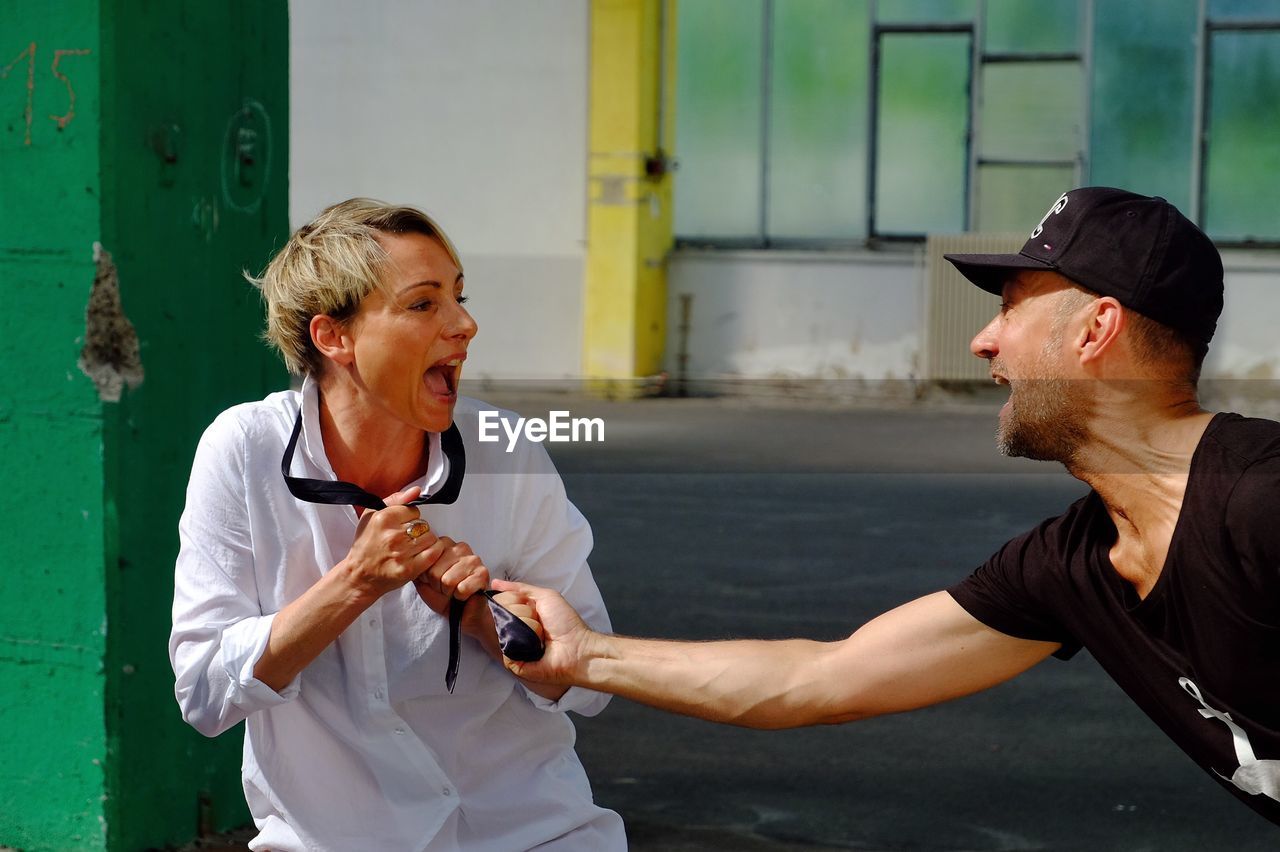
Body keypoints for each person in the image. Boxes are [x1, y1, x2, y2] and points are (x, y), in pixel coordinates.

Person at [492, 187, 1280, 827]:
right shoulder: (1072, 565)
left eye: (1011, 306)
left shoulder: (1260, 503)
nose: (984, 340)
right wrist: (586, 655)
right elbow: (824, 678)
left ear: (1096, 329)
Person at [169, 199, 625, 850]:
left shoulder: (506, 449)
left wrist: (488, 621)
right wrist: (353, 583)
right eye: (423, 304)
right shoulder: (243, 451)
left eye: (460, 298)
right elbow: (205, 694)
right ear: (334, 337)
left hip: (531, 835)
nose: (464, 325)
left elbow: (589, 683)